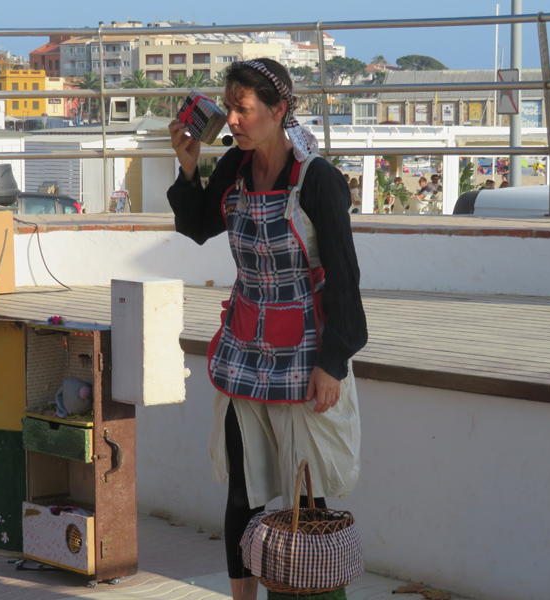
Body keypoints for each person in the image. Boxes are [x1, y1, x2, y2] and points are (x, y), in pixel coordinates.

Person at [167, 58, 367, 600]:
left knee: (307, 500)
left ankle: (310, 593)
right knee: (243, 493)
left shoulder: (317, 179)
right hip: (244, 352)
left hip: (306, 356)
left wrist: (334, 361)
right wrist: (189, 168)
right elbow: (200, 225)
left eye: (243, 108)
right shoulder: (234, 165)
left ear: (278, 110)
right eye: (228, 107)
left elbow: (344, 276)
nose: (232, 118)